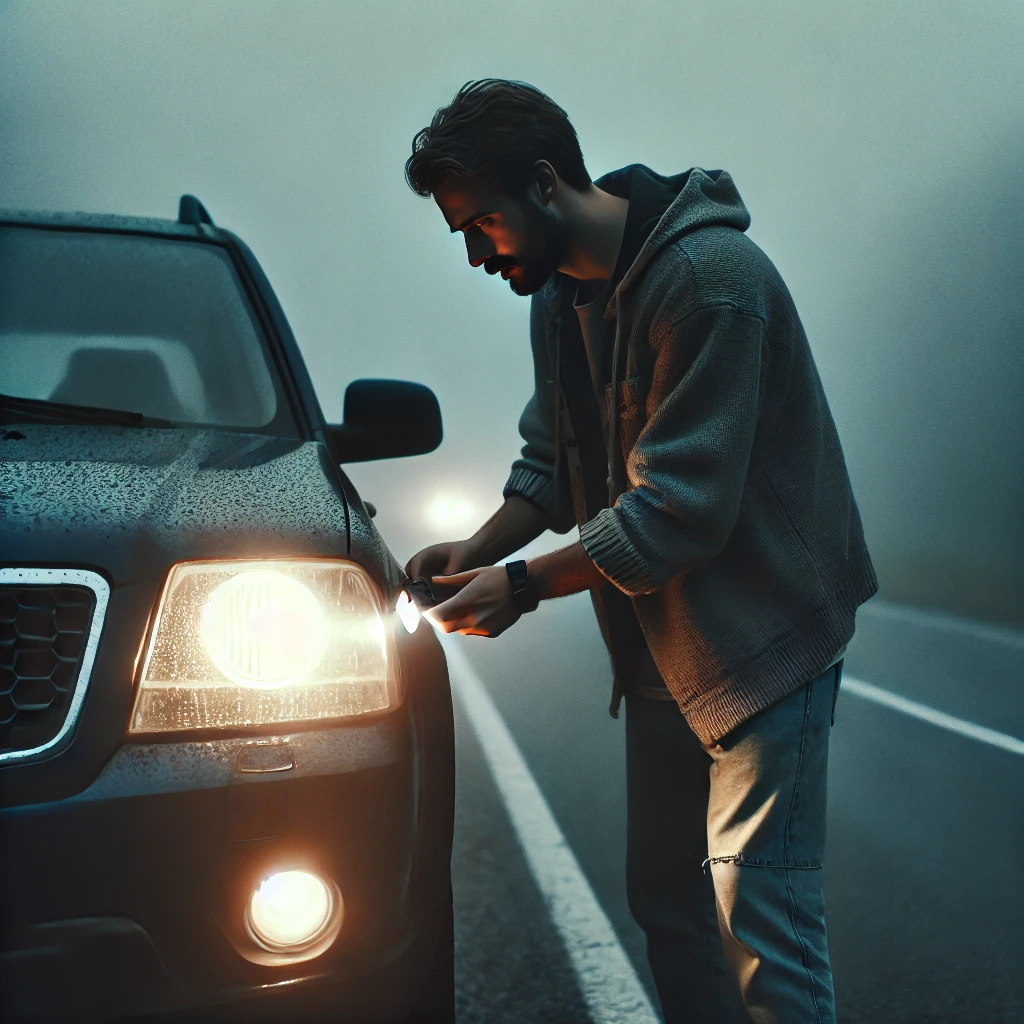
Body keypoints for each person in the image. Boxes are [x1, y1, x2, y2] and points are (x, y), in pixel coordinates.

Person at [403, 79, 878, 1024]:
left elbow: (676, 513)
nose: (472, 254)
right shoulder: (558, 297)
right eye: (460, 232)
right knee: (666, 904)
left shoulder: (710, 285)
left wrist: (522, 585)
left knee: (767, 930)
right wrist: (479, 546)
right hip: (661, 653)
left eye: (482, 223)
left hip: (765, 647)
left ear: (545, 183)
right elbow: (555, 459)